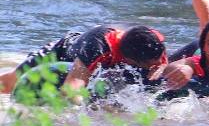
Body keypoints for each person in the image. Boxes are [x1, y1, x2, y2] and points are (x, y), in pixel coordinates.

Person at [0, 25, 167, 102]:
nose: (157, 64)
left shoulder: (152, 43)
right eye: (151, 65)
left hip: (97, 69)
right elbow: (71, 90)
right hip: (61, 55)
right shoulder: (97, 48)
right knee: (7, 85)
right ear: (129, 60)